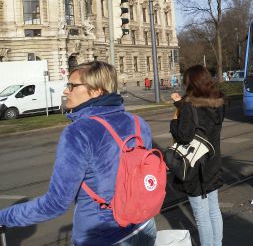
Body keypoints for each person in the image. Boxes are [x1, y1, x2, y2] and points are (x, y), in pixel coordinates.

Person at [0, 61, 157, 245]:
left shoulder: (79, 132)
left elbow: (55, 204)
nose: (66, 91)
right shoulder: (138, 122)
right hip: (144, 226)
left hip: (103, 236)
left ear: (96, 91)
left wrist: (4, 216)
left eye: (72, 86)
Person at [170, 65, 224, 246]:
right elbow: (202, 120)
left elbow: (184, 136)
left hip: (195, 167)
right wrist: (181, 105)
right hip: (213, 162)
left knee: (201, 216)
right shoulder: (218, 102)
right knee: (214, 210)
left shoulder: (188, 105)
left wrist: (174, 119)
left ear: (191, 83)